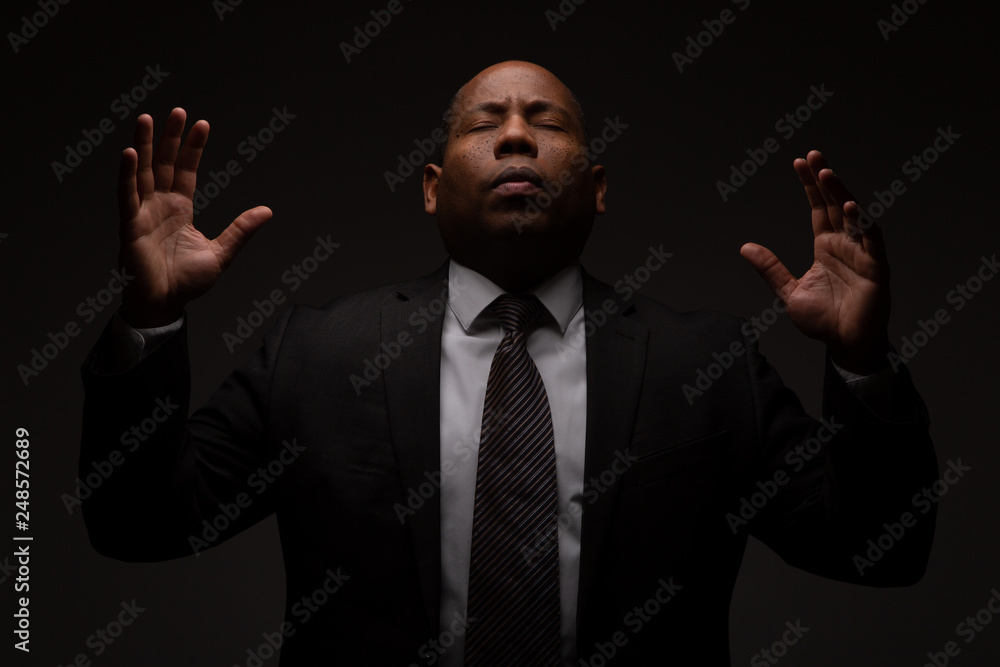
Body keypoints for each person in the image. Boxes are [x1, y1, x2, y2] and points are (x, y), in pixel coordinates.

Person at [80, 61, 938, 666]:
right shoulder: (316, 350)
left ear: (597, 186)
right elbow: (140, 525)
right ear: (429, 184)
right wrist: (149, 319)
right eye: (486, 124)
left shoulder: (706, 361)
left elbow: (875, 550)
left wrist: (862, 359)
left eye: (547, 121)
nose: (518, 136)